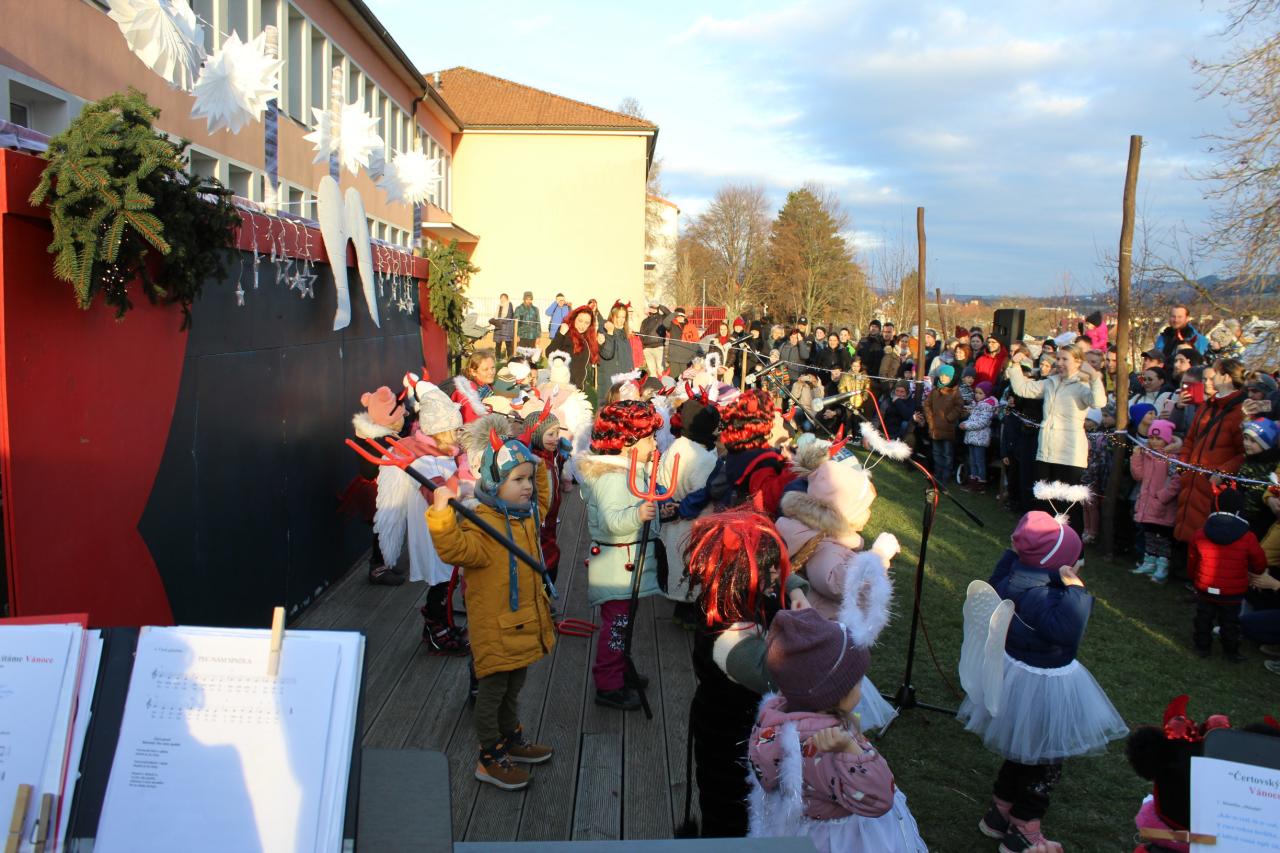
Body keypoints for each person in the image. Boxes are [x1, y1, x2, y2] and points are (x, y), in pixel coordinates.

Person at [959, 510, 1127, 851]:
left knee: (1020, 749)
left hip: (1016, 679)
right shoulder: (1047, 596)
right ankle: (1024, 827)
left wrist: (1014, 553)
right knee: (1046, 760)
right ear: (1061, 566)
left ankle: (999, 812)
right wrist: (1076, 591)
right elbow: (1066, 631)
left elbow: (996, 577)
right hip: (1047, 687)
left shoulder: (1011, 581)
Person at [426, 431, 556, 791]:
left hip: (522, 623)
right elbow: (454, 549)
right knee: (493, 691)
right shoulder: (483, 525)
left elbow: (543, 497)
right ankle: (490, 755)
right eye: (518, 480)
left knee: (514, 686)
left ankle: (511, 737)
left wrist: (535, 463)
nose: (527, 486)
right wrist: (441, 513)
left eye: (528, 479)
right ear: (496, 483)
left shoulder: (525, 516)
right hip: (495, 627)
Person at [748, 609, 928, 852]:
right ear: (836, 694)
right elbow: (879, 798)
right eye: (857, 681)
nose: (862, 686)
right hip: (845, 840)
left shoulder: (775, 722)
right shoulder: (828, 745)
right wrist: (852, 751)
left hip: (804, 831)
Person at [682, 510, 807, 839]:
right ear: (741, 575)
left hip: (746, 735)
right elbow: (784, 676)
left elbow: (783, 576)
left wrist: (795, 590)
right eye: (768, 569)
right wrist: (803, 625)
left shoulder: (734, 596)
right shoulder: (731, 640)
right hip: (730, 746)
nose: (776, 575)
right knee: (732, 820)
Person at [576, 400, 665, 711]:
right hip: (616, 565)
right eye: (650, 438)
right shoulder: (613, 477)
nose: (655, 444)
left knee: (623, 623)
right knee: (616, 627)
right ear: (628, 442)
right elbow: (612, 523)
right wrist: (638, 514)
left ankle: (620, 668)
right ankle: (608, 684)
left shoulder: (630, 471)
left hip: (626, 563)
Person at [1005, 345, 1107, 533]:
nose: (1059, 363)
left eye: (1064, 359)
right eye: (1058, 359)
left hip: (1069, 454)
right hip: (1046, 450)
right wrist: (1015, 365)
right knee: (1043, 500)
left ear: (1077, 361)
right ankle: (1043, 540)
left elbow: (1098, 402)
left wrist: (1094, 377)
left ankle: (1071, 546)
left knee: (1067, 504)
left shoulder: (1082, 385)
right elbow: (1023, 389)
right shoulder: (1051, 382)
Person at [657, 396, 721, 627]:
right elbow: (704, 492)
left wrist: (665, 504)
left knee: (678, 565)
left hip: (671, 516)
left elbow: (660, 481)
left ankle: (681, 610)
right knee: (693, 567)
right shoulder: (702, 458)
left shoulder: (675, 447)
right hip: (692, 521)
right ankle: (690, 614)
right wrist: (682, 508)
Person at [1174, 359, 1248, 546]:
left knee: (1205, 536)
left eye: (1214, 374)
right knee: (1185, 529)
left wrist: (1222, 473)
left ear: (1226, 377)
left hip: (1214, 483)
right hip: (1191, 478)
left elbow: (1244, 453)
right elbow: (1190, 438)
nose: (1209, 379)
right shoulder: (1206, 406)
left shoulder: (1241, 412)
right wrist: (1183, 463)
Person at [1189, 488, 1266, 661]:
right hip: (1232, 592)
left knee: (1203, 618)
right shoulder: (1248, 537)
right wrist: (1257, 572)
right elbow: (1259, 561)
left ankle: (1202, 647)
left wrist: (1195, 578)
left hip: (1205, 587)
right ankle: (1231, 651)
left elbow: (1192, 560)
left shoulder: (1200, 534)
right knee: (1230, 621)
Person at [1130, 419, 1183, 583]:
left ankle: (1162, 565)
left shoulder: (1172, 458)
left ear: (1167, 439)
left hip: (1163, 506)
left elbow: (1176, 480)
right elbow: (1138, 476)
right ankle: (1149, 561)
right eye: (1151, 438)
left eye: (1158, 438)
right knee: (1150, 534)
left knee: (1162, 537)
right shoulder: (1147, 455)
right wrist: (1136, 457)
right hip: (1147, 504)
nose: (1154, 441)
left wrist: (1163, 497)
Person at [924, 364, 965, 484]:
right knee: (937, 453)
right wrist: (930, 418)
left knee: (947, 454)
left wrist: (949, 417)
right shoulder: (935, 390)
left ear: (951, 377)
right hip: (935, 427)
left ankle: (945, 477)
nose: (943, 378)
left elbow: (959, 406)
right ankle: (937, 475)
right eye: (941, 375)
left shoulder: (955, 392)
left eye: (946, 376)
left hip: (948, 427)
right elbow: (927, 404)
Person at [548, 305, 599, 389]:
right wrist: (560, 334)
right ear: (574, 318)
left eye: (586, 323)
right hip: (563, 387)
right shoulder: (566, 333)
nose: (582, 325)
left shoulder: (587, 339)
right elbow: (549, 352)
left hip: (578, 388)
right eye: (580, 321)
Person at [595, 301, 635, 403]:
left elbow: (629, 358)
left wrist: (632, 374)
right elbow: (607, 354)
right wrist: (610, 333)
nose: (620, 320)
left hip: (624, 380)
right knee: (608, 406)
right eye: (618, 317)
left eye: (623, 317)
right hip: (609, 380)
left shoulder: (624, 335)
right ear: (612, 317)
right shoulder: (604, 331)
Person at [960, 380, 997, 490]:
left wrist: (966, 425)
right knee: (972, 460)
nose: (977, 395)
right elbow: (973, 418)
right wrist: (965, 422)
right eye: (976, 392)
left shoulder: (987, 406)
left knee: (979, 461)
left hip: (980, 438)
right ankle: (973, 480)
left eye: (980, 393)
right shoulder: (978, 404)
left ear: (987, 394)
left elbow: (982, 422)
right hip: (972, 437)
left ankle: (981, 482)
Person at [449, 349, 499, 424]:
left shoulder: (485, 386)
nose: (491, 372)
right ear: (473, 372)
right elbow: (470, 422)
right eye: (485, 369)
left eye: (493, 367)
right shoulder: (467, 392)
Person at [667, 308, 701, 377]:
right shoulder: (671, 325)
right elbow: (665, 322)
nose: (679, 317)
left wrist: (693, 356)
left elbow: (696, 341)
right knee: (674, 378)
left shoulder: (691, 326)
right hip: (674, 357)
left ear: (684, 316)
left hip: (686, 358)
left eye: (681, 315)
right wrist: (673, 314)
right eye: (677, 315)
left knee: (686, 378)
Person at [488, 293, 516, 361]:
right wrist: (492, 321)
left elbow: (509, 316)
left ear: (507, 298)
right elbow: (496, 316)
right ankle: (498, 358)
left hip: (507, 327)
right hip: (499, 327)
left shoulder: (509, 305)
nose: (502, 299)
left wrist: (499, 321)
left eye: (504, 298)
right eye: (501, 298)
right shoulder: (499, 305)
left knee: (508, 344)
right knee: (498, 344)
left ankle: (510, 359)